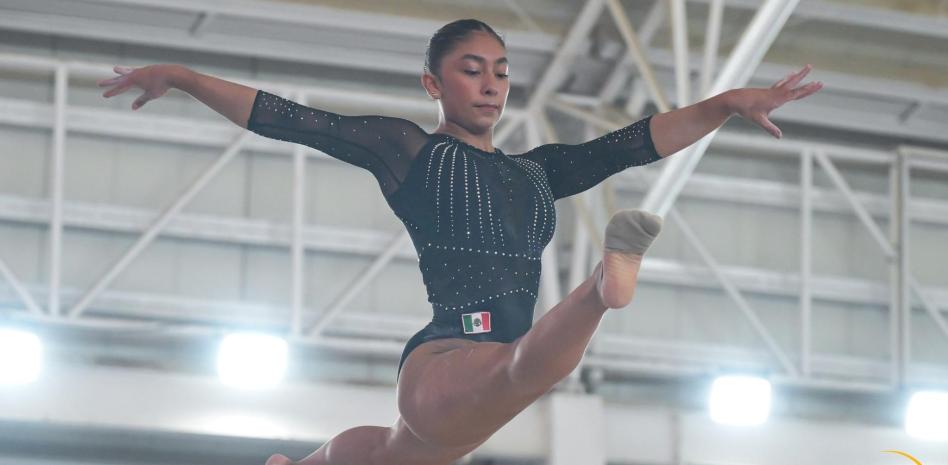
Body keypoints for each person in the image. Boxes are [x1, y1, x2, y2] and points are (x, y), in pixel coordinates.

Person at [98, 18, 822, 465]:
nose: (490, 86)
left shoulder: (537, 172)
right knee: (517, 372)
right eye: (471, 71)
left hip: (458, 386)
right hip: (453, 356)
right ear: (432, 82)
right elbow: (294, 119)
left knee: (395, 451)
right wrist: (187, 77)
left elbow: (635, 143)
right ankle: (604, 289)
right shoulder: (411, 150)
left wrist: (727, 104)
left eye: (501, 73)